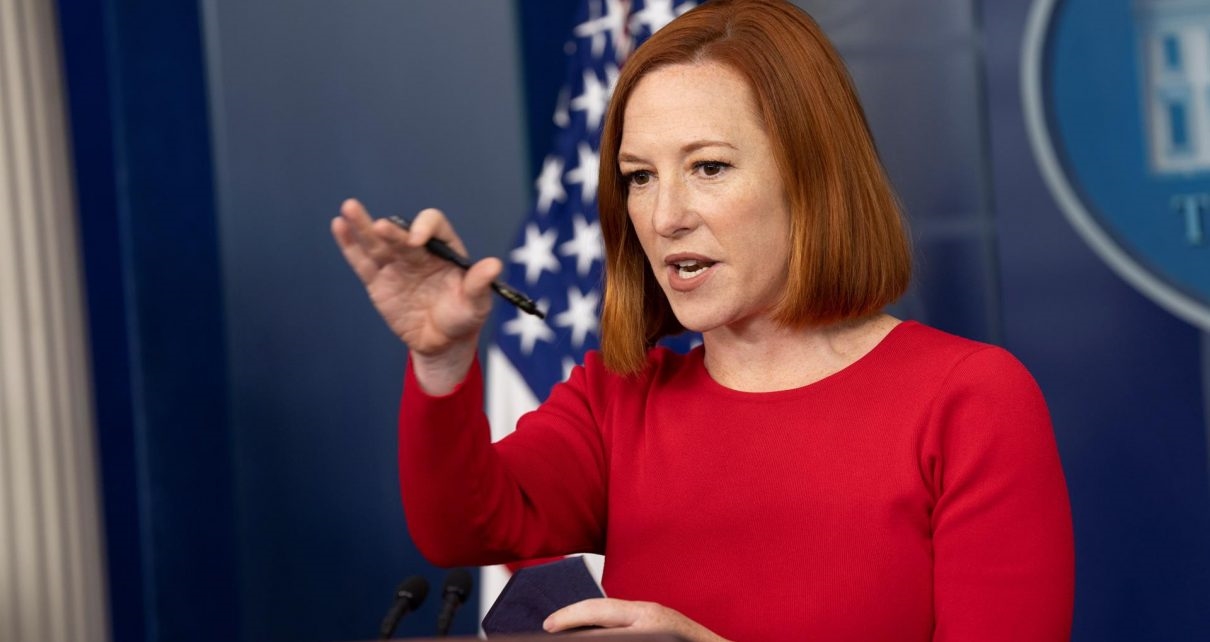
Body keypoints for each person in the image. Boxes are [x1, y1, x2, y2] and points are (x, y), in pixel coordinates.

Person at [331, 0, 1074, 640]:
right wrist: (442, 359)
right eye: (639, 177)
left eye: (709, 167)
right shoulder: (619, 400)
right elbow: (466, 528)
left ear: (813, 179)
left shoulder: (970, 400)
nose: (665, 216)